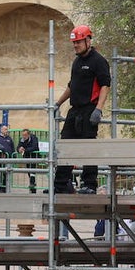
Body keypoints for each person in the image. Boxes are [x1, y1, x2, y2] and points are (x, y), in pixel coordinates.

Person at [53, 25, 110, 194]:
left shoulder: (99, 61)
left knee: (88, 147)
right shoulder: (77, 62)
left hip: (89, 109)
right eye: (74, 42)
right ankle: (60, 185)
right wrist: (58, 103)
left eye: (78, 42)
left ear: (88, 40)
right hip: (74, 110)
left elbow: (105, 86)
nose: (75, 45)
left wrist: (98, 109)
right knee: (65, 147)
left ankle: (89, 184)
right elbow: (72, 86)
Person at [16, 128, 40, 193]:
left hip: (34, 157)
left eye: (25, 135)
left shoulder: (34, 138)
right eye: (23, 135)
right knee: (29, 171)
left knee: (32, 170)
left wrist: (25, 150)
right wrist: (19, 149)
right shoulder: (22, 139)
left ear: (29, 134)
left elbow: (35, 147)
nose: (24, 136)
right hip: (26, 157)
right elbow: (18, 147)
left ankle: (32, 184)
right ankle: (33, 185)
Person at [0, 125, 15, 192]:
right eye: (5, 129)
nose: (7, 131)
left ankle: (5, 187)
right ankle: (1, 187)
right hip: (1, 159)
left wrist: (14, 156)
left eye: (7, 129)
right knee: (1, 173)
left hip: (9, 159)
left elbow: (12, 147)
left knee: (7, 173)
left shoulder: (9, 138)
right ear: (1, 130)